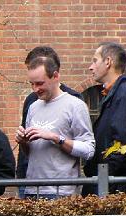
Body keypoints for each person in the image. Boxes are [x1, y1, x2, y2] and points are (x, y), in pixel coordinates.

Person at [15, 56, 95, 198]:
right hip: (32, 190)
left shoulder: (75, 105)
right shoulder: (33, 107)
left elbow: (88, 150)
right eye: (32, 84)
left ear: (56, 76)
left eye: (40, 83)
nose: (35, 89)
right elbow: (32, 154)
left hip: (61, 192)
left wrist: (56, 138)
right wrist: (23, 142)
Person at [83, 42, 126, 194]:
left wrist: (103, 180)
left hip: (112, 187)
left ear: (108, 62)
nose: (91, 67)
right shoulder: (115, 94)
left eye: (95, 60)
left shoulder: (124, 96)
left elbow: (122, 145)